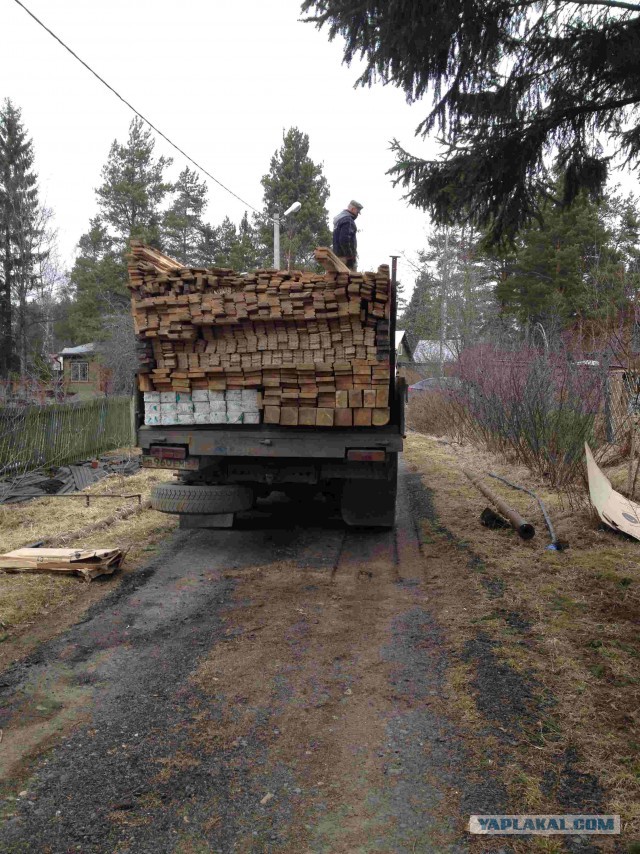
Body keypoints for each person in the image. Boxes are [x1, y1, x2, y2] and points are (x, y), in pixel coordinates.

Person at [332, 200, 363, 270]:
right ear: (353, 209)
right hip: (345, 259)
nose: (357, 215)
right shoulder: (348, 220)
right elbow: (344, 239)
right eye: (357, 212)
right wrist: (350, 257)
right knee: (351, 280)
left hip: (337, 257)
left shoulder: (339, 220)